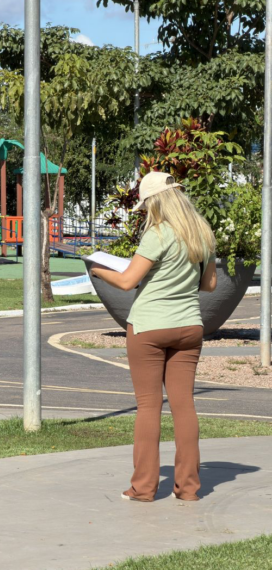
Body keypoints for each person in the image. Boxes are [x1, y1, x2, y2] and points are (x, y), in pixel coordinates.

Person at [91, 172, 217, 502]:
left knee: (148, 406)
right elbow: (210, 286)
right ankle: (188, 489)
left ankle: (143, 488)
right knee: (184, 405)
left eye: (146, 205)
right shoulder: (203, 234)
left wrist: (95, 268)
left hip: (149, 327)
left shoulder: (158, 234)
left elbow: (127, 281)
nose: (146, 211)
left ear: (155, 202)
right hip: (190, 327)